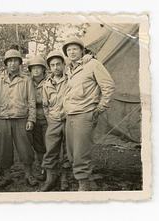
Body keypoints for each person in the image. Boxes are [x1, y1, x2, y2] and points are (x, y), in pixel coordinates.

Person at [62, 37, 115, 191]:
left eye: (75, 49)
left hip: (85, 114)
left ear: (81, 51)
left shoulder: (92, 64)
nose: (71, 52)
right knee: (71, 152)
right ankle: (88, 179)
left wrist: (99, 108)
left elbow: (108, 86)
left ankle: (83, 185)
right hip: (71, 114)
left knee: (81, 152)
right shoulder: (69, 69)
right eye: (69, 50)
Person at [0, 49, 38, 187]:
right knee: (4, 148)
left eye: (15, 60)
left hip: (21, 118)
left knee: (25, 148)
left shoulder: (26, 80)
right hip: (3, 118)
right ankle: (7, 176)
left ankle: (29, 174)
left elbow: (31, 101)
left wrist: (31, 119)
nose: (12, 63)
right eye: (10, 61)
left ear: (19, 63)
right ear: (6, 63)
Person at [40, 51, 72, 192]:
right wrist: (50, 118)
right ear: (49, 68)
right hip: (53, 120)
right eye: (52, 65)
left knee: (68, 149)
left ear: (63, 65)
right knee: (51, 149)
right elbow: (45, 105)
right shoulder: (47, 85)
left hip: (69, 119)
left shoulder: (71, 79)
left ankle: (65, 177)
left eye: (58, 64)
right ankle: (50, 178)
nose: (56, 67)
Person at [27, 56, 48, 181]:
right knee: (38, 145)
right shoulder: (28, 82)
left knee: (49, 145)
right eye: (33, 68)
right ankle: (42, 168)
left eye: (38, 67)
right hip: (33, 116)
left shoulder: (49, 81)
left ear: (43, 69)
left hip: (46, 117)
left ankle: (49, 169)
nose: (36, 70)